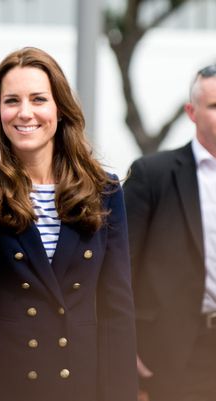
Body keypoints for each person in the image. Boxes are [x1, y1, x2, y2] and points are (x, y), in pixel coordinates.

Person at [0, 46, 138, 401]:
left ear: (59, 109)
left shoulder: (102, 189)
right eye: (12, 101)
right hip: (1, 381)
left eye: (38, 99)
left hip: (81, 382)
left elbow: (116, 307)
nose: (25, 113)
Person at [124, 64, 216, 401]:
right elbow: (119, 267)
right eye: (214, 106)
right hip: (173, 353)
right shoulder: (152, 174)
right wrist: (125, 348)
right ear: (191, 113)